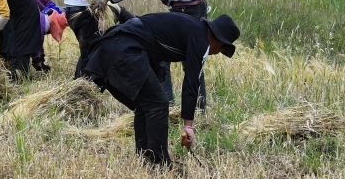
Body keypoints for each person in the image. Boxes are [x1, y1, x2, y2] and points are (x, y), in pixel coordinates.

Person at [85, 12, 240, 169]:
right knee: (158, 104)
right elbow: (192, 82)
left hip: (113, 46)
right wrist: (188, 126)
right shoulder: (200, 40)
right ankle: (160, 164)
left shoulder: (192, 27)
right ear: (218, 41)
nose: (216, 53)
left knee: (145, 105)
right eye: (221, 49)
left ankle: (145, 158)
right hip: (125, 49)